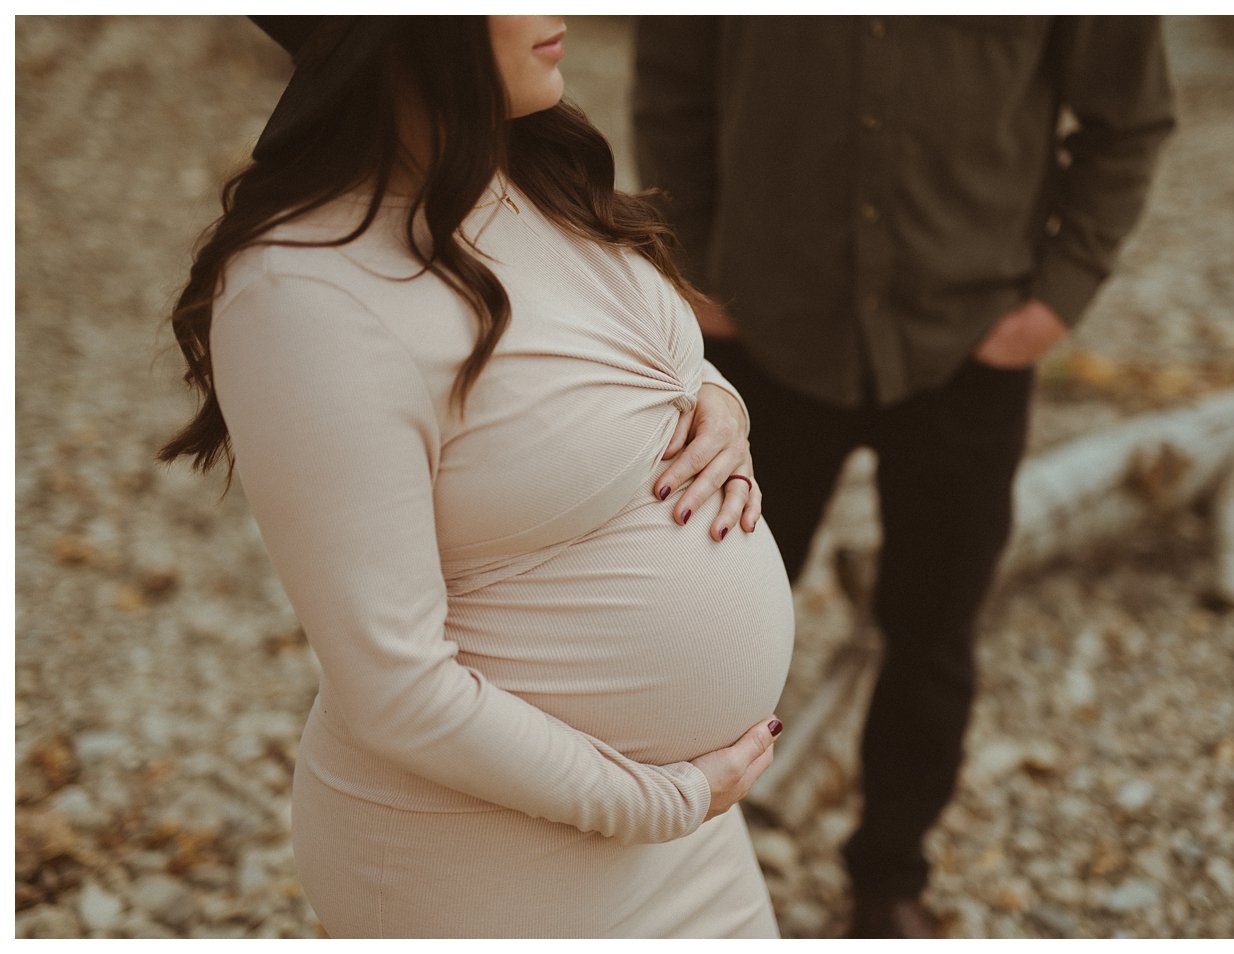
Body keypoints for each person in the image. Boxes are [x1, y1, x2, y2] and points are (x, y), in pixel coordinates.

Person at [159, 16, 793, 937]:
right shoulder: (306, 292)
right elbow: (395, 682)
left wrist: (717, 400)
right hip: (486, 861)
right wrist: (660, 799)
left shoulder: (528, 171)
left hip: (689, 839)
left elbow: (616, 355)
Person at [631, 17, 1175, 937]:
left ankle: (888, 884)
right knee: (704, 615)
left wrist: (1054, 301)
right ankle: (659, 865)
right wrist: (699, 270)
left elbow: (1129, 120)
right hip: (764, 333)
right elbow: (672, 88)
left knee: (932, 632)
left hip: (970, 343)